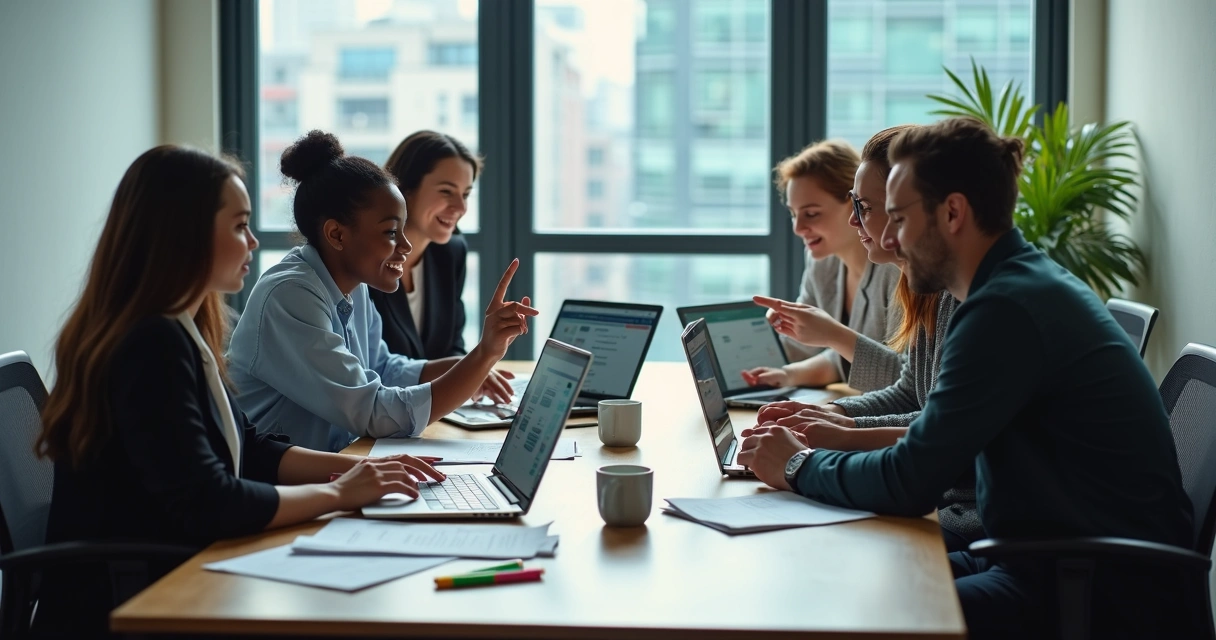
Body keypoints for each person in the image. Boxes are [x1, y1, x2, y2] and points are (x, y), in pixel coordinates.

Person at [737, 117, 1193, 638]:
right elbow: (931, 432)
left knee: (858, 612)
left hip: (1094, 587)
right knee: (840, 581)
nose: (887, 236)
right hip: (1041, 557)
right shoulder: (1008, 286)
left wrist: (797, 464)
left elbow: (911, 480)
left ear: (953, 212)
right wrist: (831, 438)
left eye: (900, 218)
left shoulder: (1006, 309)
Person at [34, 145, 446, 635]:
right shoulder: (148, 344)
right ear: (182, 236)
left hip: (181, 567)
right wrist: (338, 492)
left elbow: (248, 446)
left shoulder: (183, 327)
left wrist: (362, 469)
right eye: (238, 226)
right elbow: (210, 499)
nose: (252, 242)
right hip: (133, 597)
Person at [228, 130, 535, 452]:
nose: (405, 245)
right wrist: (485, 354)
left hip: (334, 467)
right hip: (278, 486)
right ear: (336, 234)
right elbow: (374, 413)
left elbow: (385, 368)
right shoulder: (291, 295)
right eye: (391, 232)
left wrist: (471, 365)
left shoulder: (352, 286)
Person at [747, 125, 977, 551]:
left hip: (983, 531)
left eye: (870, 207)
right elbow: (913, 392)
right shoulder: (936, 286)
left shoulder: (988, 302)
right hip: (959, 514)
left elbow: (934, 445)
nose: (860, 222)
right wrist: (832, 417)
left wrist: (813, 453)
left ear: (948, 212)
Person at [741, 140, 902, 392]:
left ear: (855, 204)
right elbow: (837, 357)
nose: (797, 228)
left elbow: (908, 383)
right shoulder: (823, 262)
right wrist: (784, 373)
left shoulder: (898, 268)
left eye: (812, 213)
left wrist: (832, 334)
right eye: (794, 214)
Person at [370, 131, 478, 361]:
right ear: (405, 189)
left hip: (440, 396)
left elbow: (453, 346)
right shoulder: (366, 259)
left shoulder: (451, 252)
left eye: (466, 194)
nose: (461, 207)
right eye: (446, 192)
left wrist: (472, 371)